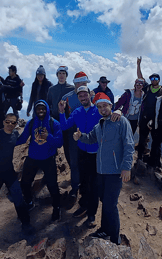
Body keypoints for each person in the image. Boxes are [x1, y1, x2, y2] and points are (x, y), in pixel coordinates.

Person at [73, 92, 134, 245]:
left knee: (110, 205)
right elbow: (91, 138)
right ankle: (105, 230)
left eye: (105, 106)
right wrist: (80, 136)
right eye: (99, 106)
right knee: (104, 202)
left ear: (111, 106)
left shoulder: (121, 121)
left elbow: (129, 145)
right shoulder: (99, 124)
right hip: (100, 171)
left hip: (114, 172)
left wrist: (126, 167)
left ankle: (115, 239)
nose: (102, 109)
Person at [58, 86, 101, 227]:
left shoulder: (99, 110)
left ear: (90, 95)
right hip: (82, 151)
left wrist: (118, 111)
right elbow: (64, 126)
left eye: (85, 95)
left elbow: (111, 119)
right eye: (80, 96)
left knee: (94, 185)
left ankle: (92, 213)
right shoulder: (77, 112)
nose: (83, 98)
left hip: (96, 153)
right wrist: (61, 112)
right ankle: (83, 205)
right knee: (83, 182)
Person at [16, 100, 63, 222]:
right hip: (32, 158)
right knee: (25, 183)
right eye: (38, 109)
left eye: (43, 109)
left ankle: (56, 208)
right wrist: (9, 142)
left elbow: (59, 143)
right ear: (35, 111)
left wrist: (48, 137)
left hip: (48, 159)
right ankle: (29, 202)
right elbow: (23, 138)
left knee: (52, 185)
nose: (41, 111)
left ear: (47, 109)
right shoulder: (31, 123)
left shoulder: (54, 123)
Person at [47, 67, 78, 198]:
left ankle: (74, 176)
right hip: (54, 123)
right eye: (59, 73)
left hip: (67, 124)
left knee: (68, 151)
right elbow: (48, 105)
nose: (61, 76)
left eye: (63, 74)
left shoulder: (71, 89)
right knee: (52, 150)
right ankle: (50, 178)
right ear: (57, 75)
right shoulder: (51, 89)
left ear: (66, 75)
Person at [136, 57, 162, 161]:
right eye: (152, 79)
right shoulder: (147, 87)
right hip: (144, 117)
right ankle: (139, 157)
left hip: (156, 119)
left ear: (159, 80)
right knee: (142, 138)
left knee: (156, 140)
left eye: (156, 79)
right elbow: (140, 77)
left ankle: (155, 160)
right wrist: (138, 65)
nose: (154, 80)